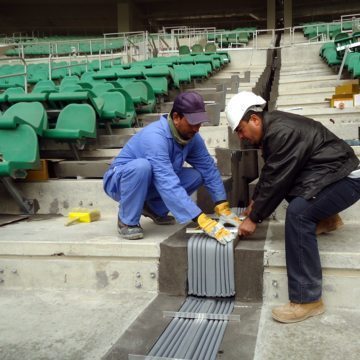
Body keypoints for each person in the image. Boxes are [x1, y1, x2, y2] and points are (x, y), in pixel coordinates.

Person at [225, 91, 360, 323]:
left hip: (346, 179)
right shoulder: (274, 129)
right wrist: (256, 201)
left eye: (240, 129)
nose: (241, 137)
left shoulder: (281, 132)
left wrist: (253, 218)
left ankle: (307, 300)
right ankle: (328, 220)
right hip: (332, 175)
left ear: (255, 119)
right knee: (289, 190)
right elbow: (272, 173)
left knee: (298, 215)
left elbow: (277, 177)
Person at [103, 91, 242, 243]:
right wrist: (200, 218)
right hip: (120, 182)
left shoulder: (192, 137)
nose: (197, 129)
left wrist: (221, 204)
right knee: (142, 167)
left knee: (197, 175)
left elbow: (208, 168)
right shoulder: (155, 137)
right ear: (176, 117)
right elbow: (166, 181)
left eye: (199, 123)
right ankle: (127, 220)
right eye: (192, 123)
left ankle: (153, 208)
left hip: (150, 180)